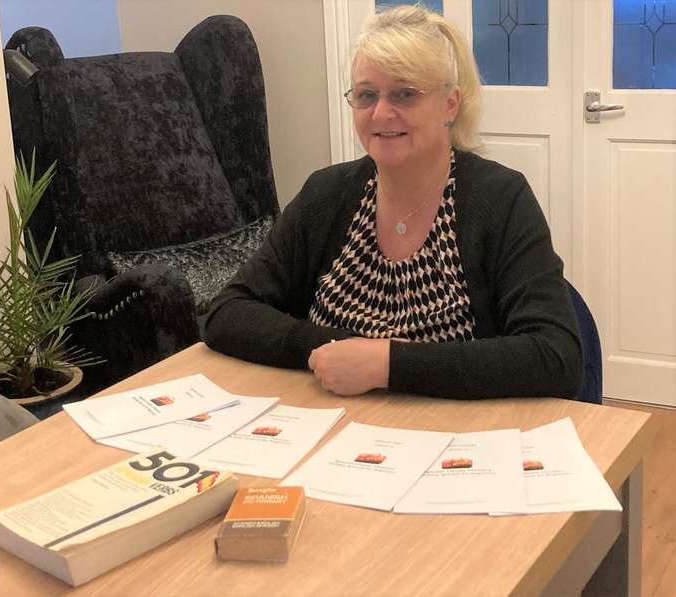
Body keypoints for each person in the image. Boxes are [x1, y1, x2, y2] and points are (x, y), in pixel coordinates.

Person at [205, 5, 582, 400]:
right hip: (328, 429)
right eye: (367, 95)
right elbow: (227, 312)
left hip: (453, 437)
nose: (382, 113)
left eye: (405, 93)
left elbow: (556, 356)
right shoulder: (327, 193)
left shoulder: (500, 199)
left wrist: (386, 364)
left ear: (450, 104)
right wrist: (329, 349)